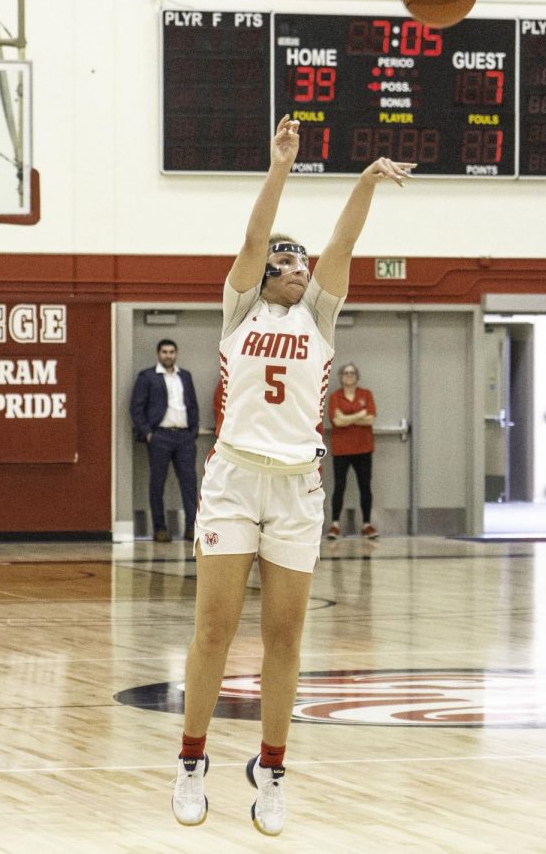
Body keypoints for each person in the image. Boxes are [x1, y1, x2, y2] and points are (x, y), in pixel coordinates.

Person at [170, 114, 415, 835]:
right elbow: (253, 239)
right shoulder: (240, 305)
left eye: (299, 258)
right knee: (212, 631)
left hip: (297, 487)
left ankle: (271, 771)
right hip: (234, 480)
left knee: (285, 637)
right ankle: (191, 760)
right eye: (286, 258)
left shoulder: (320, 316)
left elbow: (344, 242)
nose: (297, 262)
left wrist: (367, 179)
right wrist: (281, 166)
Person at [129, 339, 199, 542]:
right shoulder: (148, 376)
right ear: (158, 354)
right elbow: (136, 408)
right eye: (164, 352)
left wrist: (193, 429)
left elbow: (192, 404)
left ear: (176, 354)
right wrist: (148, 433)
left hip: (185, 436)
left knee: (189, 483)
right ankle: (160, 528)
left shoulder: (185, 376)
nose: (168, 355)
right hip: (160, 436)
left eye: (171, 352)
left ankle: (191, 528)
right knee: (157, 483)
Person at [326, 363, 379, 539]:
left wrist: (346, 418)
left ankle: (366, 524)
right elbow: (337, 421)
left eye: (352, 373)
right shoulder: (335, 397)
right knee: (339, 486)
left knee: (365, 486)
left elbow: (370, 419)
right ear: (340, 377)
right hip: (341, 449)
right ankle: (334, 525)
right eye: (346, 373)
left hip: (363, 448)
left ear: (357, 376)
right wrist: (358, 415)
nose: (349, 375)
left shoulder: (366, 395)